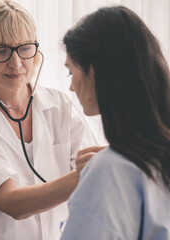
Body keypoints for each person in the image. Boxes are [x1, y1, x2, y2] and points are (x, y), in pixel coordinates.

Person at [0, 1, 102, 239]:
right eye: (0, 51)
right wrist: (88, 173)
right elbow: (13, 204)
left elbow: (96, 182)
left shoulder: (61, 106)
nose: (15, 63)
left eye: (24, 48)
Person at [61, 6, 170, 240]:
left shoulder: (110, 171)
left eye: (71, 72)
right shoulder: (158, 156)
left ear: (95, 71)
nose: (71, 87)